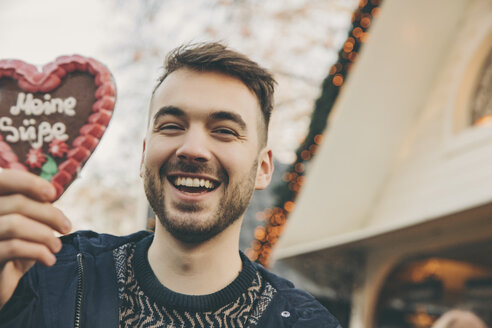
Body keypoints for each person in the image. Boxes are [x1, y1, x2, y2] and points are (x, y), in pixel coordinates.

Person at [0, 43, 342, 327]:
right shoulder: (45, 278)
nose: (192, 148)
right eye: (171, 126)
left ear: (263, 168)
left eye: (223, 130)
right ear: (144, 153)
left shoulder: (303, 323)